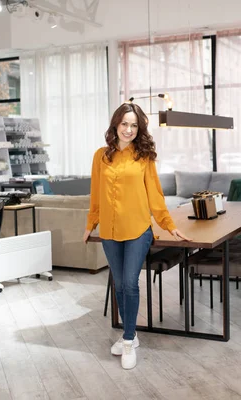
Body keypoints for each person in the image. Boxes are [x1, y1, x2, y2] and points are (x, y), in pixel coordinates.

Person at [83, 102, 191, 370]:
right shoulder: (100, 156)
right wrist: (90, 224)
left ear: (138, 128)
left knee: (130, 283)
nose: (129, 130)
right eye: (124, 124)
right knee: (119, 285)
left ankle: (129, 340)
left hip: (137, 230)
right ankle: (130, 333)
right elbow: (95, 194)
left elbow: (155, 194)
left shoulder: (143, 157)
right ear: (115, 125)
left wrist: (167, 223)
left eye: (134, 125)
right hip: (109, 230)